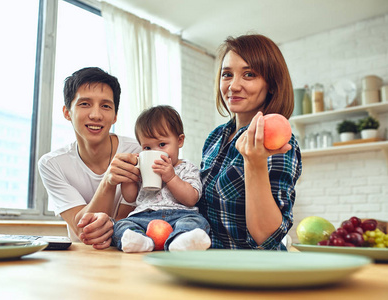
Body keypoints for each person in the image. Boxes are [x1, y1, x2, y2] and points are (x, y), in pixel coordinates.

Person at [197, 34, 302, 250]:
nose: (233, 86)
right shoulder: (215, 137)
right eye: (227, 74)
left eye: (249, 74)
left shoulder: (278, 141)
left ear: (271, 84)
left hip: (253, 272)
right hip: (209, 265)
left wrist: (255, 164)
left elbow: (267, 237)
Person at [38, 67, 142, 249]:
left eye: (106, 106)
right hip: (82, 257)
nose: (96, 115)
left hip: (127, 252)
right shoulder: (52, 164)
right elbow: (83, 229)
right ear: (67, 112)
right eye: (85, 104)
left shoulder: (138, 151)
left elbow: (122, 225)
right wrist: (108, 182)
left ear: (115, 116)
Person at [112, 105, 211, 252]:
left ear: (179, 141)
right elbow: (130, 197)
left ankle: (181, 240)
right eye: (147, 148)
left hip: (180, 216)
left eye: (162, 144)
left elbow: (191, 199)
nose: (155, 152)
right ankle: (140, 241)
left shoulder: (187, 167)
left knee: (197, 222)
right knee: (121, 225)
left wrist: (171, 177)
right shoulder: (143, 167)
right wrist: (130, 178)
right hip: (144, 216)